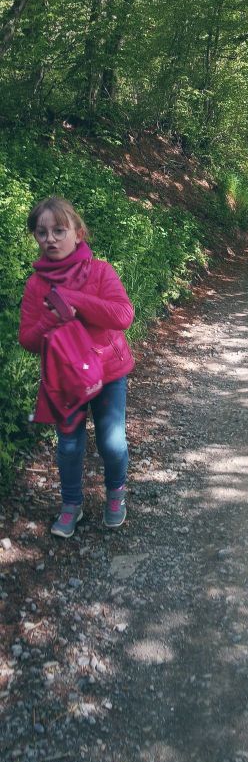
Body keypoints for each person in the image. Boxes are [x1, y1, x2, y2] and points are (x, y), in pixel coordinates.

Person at [19, 197, 135, 538]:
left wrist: (75, 300)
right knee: (69, 446)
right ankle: (72, 504)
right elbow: (27, 339)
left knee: (112, 443)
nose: (50, 239)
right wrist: (50, 321)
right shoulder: (36, 284)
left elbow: (123, 315)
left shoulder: (100, 271)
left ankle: (116, 493)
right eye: (42, 233)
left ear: (78, 233)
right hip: (65, 379)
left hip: (108, 372)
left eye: (59, 230)